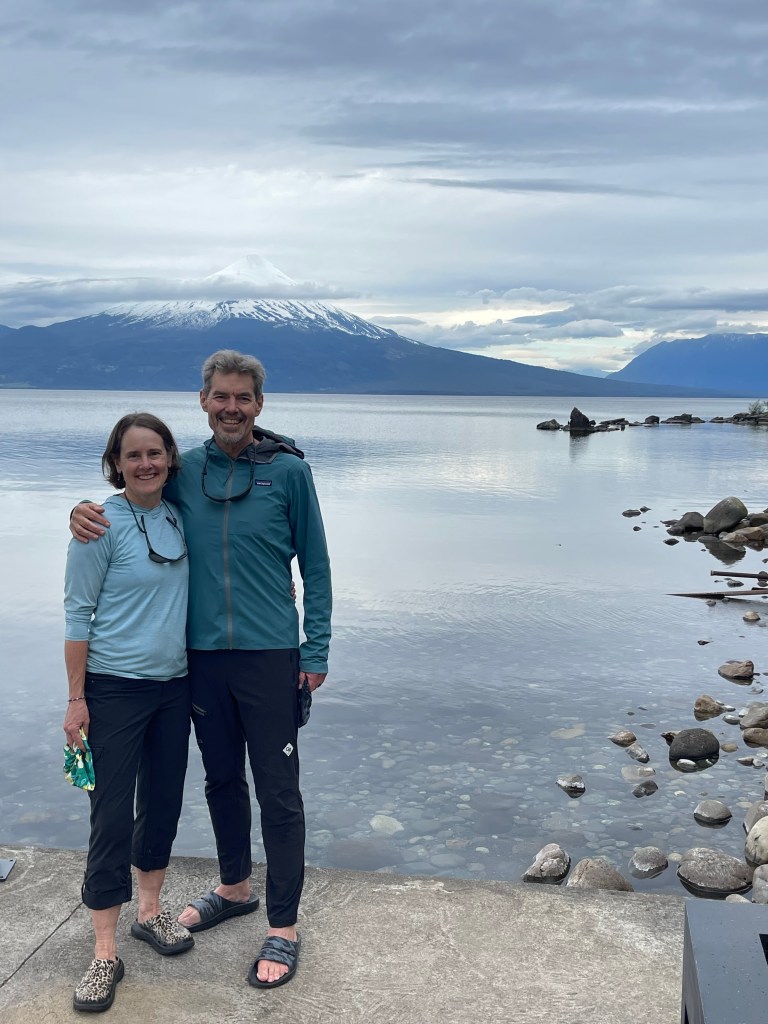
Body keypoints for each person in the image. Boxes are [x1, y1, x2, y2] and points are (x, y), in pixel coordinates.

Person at [71, 349, 332, 989]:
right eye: (221, 396)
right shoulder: (185, 470)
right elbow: (133, 497)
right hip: (201, 660)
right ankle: (235, 886)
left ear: (259, 404)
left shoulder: (290, 472)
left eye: (244, 397)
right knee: (220, 779)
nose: (232, 407)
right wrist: (82, 511)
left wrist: (316, 649)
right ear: (203, 400)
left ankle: (284, 925)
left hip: (271, 656)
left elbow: (316, 566)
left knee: (278, 789)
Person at [64, 413, 194, 1014]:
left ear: (170, 458)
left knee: (163, 803)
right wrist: (76, 699)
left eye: (155, 453)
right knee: (111, 815)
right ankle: (104, 952)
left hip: (174, 688)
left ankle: (150, 911)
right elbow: (77, 616)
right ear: (115, 463)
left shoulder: (179, 514)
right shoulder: (97, 526)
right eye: (133, 455)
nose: (146, 464)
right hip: (113, 689)